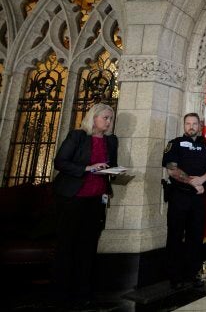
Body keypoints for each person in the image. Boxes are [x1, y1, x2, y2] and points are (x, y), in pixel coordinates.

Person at [52, 103, 118, 306]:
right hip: (73, 198)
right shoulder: (78, 136)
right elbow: (60, 162)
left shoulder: (111, 140)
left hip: (96, 200)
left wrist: (116, 172)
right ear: (93, 118)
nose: (108, 122)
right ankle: (61, 293)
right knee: (67, 245)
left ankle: (83, 291)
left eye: (110, 118)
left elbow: (111, 164)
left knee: (88, 246)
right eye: (105, 118)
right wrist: (88, 167)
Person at [162, 112, 206, 289]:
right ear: (184, 125)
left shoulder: (205, 145)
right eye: (188, 123)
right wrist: (194, 183)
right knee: (176, 235)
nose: (191, 126)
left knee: (195, 236)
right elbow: (172, 169)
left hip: (199, 198)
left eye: (194, 124)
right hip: (180, 196)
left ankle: (192, 273)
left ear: (200, 126)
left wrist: (202, 180)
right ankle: (175, 276)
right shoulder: (175, 143)